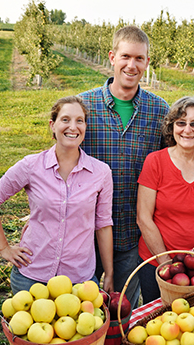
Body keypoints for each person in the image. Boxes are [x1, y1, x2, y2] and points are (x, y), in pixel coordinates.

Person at [0, 96, 114, 295]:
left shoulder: (101, 173)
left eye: (79, 120)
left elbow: (103, 225)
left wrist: (109, 272)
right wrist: (4, 248)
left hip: (78, 282)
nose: (73, 127)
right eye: (65, 119)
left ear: (85, 126)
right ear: (53, 125)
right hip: (31, 277)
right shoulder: (31, 166)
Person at [78, 25, 169, 308]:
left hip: (132, 231)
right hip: (84, 232)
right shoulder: (84, 106)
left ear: (147, 63)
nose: (132, 65)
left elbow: (167, 169)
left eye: (139, 58)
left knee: (124, 309)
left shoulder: (159, 111)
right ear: (112, 57)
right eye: (126, 56)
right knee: (83, 310)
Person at [136, 95, 194, 304]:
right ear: (172, 127)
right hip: (157, 264)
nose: (187, 130)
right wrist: (165, 263)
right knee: (159, 324)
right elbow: (144, 217)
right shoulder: (155, 161)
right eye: (181, 123)